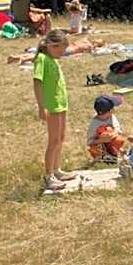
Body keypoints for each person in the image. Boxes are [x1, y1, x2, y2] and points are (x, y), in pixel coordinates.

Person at [34, 29, 79, 191]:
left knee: (60, 138)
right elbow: (37, 83)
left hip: (61, 105)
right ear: (51, 46)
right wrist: (41, 107)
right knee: (53, 141)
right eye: (60, 49)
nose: (62, 53)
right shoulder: (42, 59)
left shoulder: (54, 60)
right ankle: (49, 176)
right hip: (51, 106)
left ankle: (57, 169)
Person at [87, 94, 129, 162]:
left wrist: (112, 135)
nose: (113, 110)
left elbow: (118, 130)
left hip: (111, 142)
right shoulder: (94, 124)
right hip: (100, 144)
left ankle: (115, 154)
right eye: (111, 109)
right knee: (93, 148)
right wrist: (102, 140)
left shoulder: (112, 117)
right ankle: (102, 157)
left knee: (119, 139)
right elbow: (90, 142)